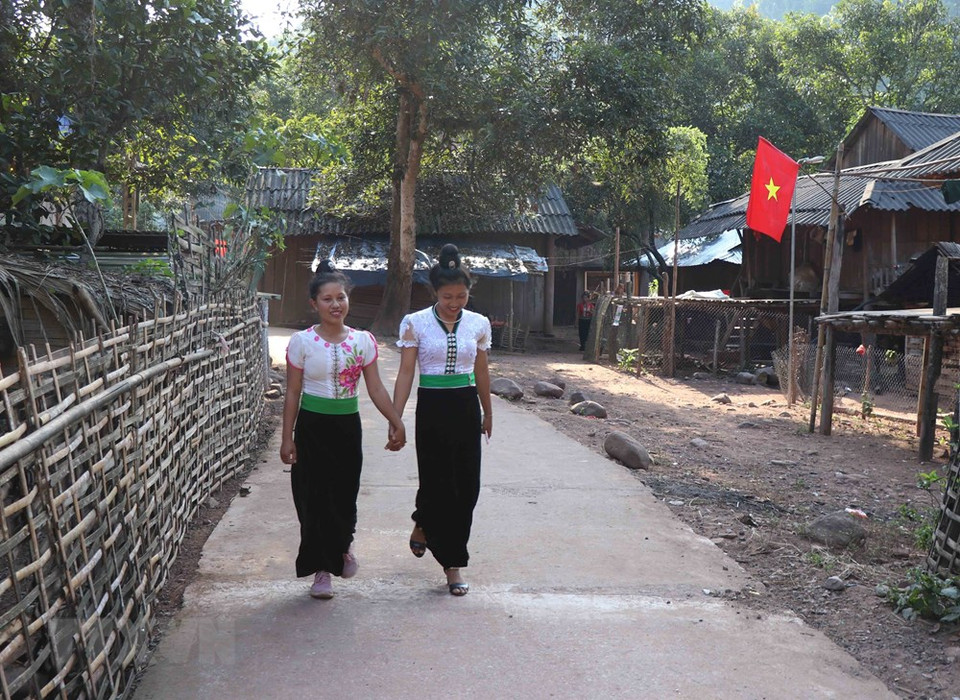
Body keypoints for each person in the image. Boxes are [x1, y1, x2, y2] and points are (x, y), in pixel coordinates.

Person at [280, 261, 406, 599]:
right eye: (327, 299)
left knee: (343, 495)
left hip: (347, 429)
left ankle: (342, 549)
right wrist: (286, 437)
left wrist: (396, 421)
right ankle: (322, 570)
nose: (336, 305)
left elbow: (376, 389)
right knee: (311, 498)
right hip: (311, 428)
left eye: (341, 297)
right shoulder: (301, 343)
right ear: (314, 304)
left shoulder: (363, 342)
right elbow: (293, 392)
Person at [393, 244, 493, 596]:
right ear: (435, 292)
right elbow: (406, 373)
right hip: (432, 406)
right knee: (436, 482)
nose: (455, 302)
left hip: (465, 406)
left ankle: (433, 535)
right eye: (448, 296)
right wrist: (395, 417)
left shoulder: (478, 324)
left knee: (466, 487)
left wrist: (487, 411)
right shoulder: (415, 323)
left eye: (461, 296)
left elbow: (481, 370)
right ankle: (451, 563)